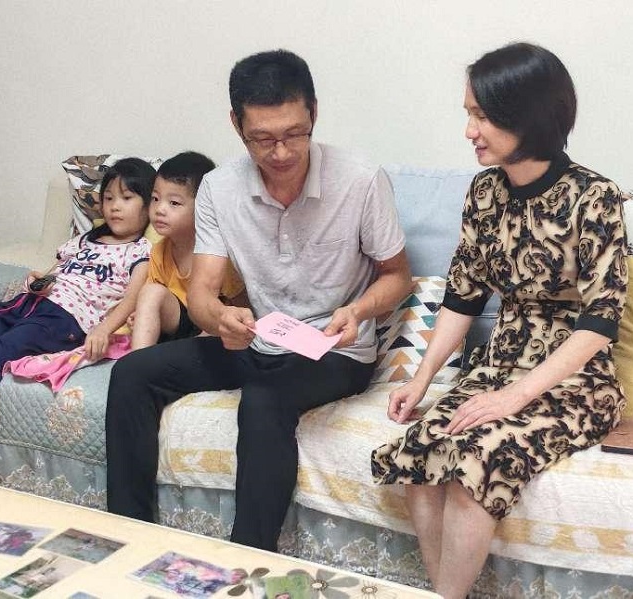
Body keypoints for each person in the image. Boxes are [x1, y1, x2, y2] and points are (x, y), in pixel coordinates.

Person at [105, 49, 412, 551]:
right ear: (236, 125)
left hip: (334, 349)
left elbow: (397, 276)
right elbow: (202, 292)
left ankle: (247, 557)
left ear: (314, 113)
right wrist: (219, 318)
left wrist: (358, 310)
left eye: (295, 134)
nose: (282, 153)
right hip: (259, 339)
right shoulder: (219, 189)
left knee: (264, 400)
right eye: (263, 139)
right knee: (133, 372)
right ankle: (128, 535)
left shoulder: (360, 179)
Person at [371, 42, 628, 599]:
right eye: (469, 114)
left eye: (482, 116)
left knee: (475, 462)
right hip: (498, 368)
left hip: (575, 382)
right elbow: (462, 299)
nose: (470, 131)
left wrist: (515, 398)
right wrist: (420, 381)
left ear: (526, 116)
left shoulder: (594, 196)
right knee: (419, 453)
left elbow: (601, 320)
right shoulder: (484, 192)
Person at [0, 157, 154, 481]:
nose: (115, 206)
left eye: (126, 198)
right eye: (108, 197)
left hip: (64, 320)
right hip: (24, 305)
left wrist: (104, 329)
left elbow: (134, 296)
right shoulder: (84, 241)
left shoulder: (141, 251)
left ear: (148, 204)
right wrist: (38, 281)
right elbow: (53, 274)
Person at [128, 151, 246, 350]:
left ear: (203, 207)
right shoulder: (159, 251)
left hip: (212, 327)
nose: (159, 209)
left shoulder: (216, 254)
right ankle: (138, 360)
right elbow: (156, 299)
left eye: (174, 203)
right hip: (180, 321)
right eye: (155, 198)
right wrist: (141, 315)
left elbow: (242, 305)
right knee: (150, 292)